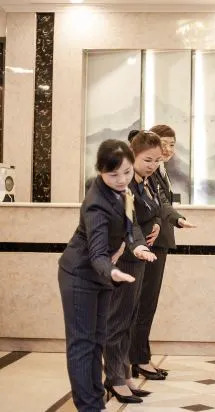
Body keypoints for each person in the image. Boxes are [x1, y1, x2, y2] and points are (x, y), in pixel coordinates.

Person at [58, 139, 155, 412]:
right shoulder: (96, 204)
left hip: (99, 276)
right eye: (114, 174)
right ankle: (89, 406)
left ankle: (96, 401)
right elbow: (97, 252)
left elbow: (129, 226)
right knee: (82, 344)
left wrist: (137, 247)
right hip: (80, 274)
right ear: (100, 170)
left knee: (97, 341)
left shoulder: (122, 191)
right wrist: (113, 270)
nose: (122, 179)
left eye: (127, 172)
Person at [103, 130, 165, 403]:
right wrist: (139, 244)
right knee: (117, 321)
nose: (152, 166)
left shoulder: (144, 183)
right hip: (124, 260)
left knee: (128, 320)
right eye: (147, 160)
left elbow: (152, 212)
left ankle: (124, 374)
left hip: (137, 260)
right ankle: (114, 379)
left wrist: (157, 225)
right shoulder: (122, 184)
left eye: (157, 161)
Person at [130, 125, 197, 379]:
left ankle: (140, 356)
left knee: (147, 304)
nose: (168, 150)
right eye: (163, 144)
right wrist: (172, 219)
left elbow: (160, 205)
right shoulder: (143, 173)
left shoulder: (158, 171)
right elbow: (159, 205)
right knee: (142, 304)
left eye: (172, 144)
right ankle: (138, 359)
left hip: (157, 240)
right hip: (147, 243)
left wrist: (169, 220)